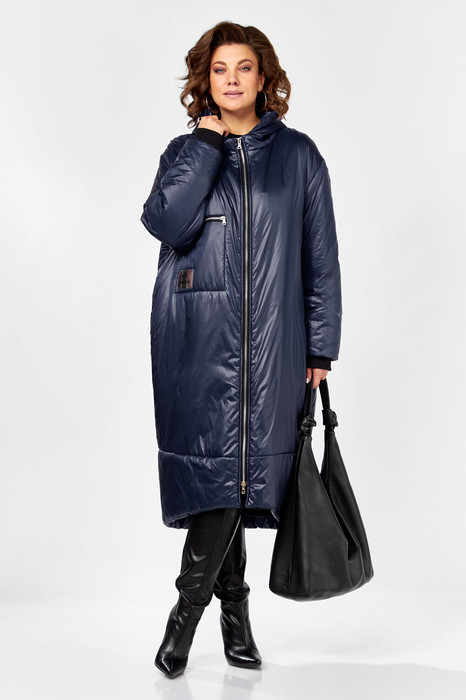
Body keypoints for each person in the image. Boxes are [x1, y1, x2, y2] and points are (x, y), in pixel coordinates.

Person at [140, 21, 342, 678]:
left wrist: (321, 346)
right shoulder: (185, 150)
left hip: (275, 344)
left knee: (240, 474)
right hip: (196, 339)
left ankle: (205, 616)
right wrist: (206, 144)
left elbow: (320, 257)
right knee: (220, 473)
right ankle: (217, 616)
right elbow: (166, 222)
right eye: (220, 69)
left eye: (244, 68)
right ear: (206, 79)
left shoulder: (299, 156)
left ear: (263, 77)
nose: (232, 79)